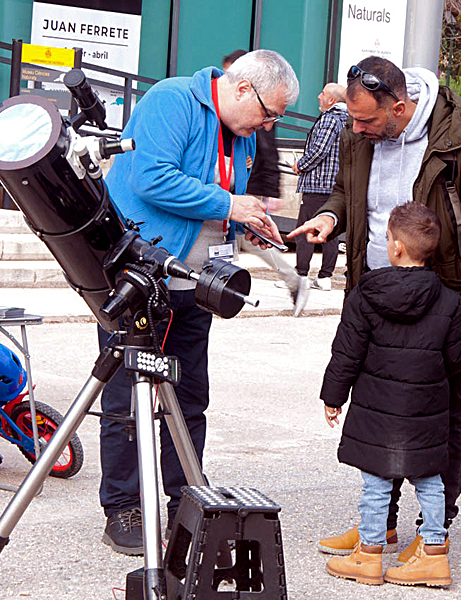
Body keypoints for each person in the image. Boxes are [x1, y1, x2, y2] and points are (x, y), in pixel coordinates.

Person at [291, 55, 461, 561]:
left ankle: (435, 531)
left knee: (442, 414)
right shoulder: (357, 136)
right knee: (380, 410)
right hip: (375, 298)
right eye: (352, 119)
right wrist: (329, 217)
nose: (355, 128)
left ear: (399, 107)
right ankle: (381, 526)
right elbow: (347, 193)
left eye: (365, 120)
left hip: (441, 307)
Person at [98, 49, 298, 555]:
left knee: (189, 399)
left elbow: (220, 200)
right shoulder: (172, 100)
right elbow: (152, 178)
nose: (268, 126)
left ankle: (184, 498)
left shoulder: (241, 132)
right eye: (269, 114)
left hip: (195, 284)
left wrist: (246, 223)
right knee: (126, 397)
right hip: (142, 278)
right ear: (242, 88)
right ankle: (123, 506)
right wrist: (230, 204)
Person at [321, 203, 461, 586]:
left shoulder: (366, 295)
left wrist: (333, 396)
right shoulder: (450, 301)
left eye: (387, 237)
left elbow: (347, 353)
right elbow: (458, 360)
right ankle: (433, 553)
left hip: (377, 408)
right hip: (427, 409)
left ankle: (369, 554)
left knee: (376, 481)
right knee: (431, 480)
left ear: (397, 247)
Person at [291, 83, 348, 290]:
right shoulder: (346, 119)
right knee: (329, 232)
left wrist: (300, 165)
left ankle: (301, 276)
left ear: (331, 100)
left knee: (305, 229)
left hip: (318, 185)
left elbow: (319, 150)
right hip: (334, 186)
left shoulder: (329, 118)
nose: (318, 96)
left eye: (322, 93)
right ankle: (325, 277)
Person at [223, 50, 281, 202]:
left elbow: (268, 152)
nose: (226, 81)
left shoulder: (259, 113)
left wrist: (272, 191)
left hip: (251, 186)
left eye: (231, 75)